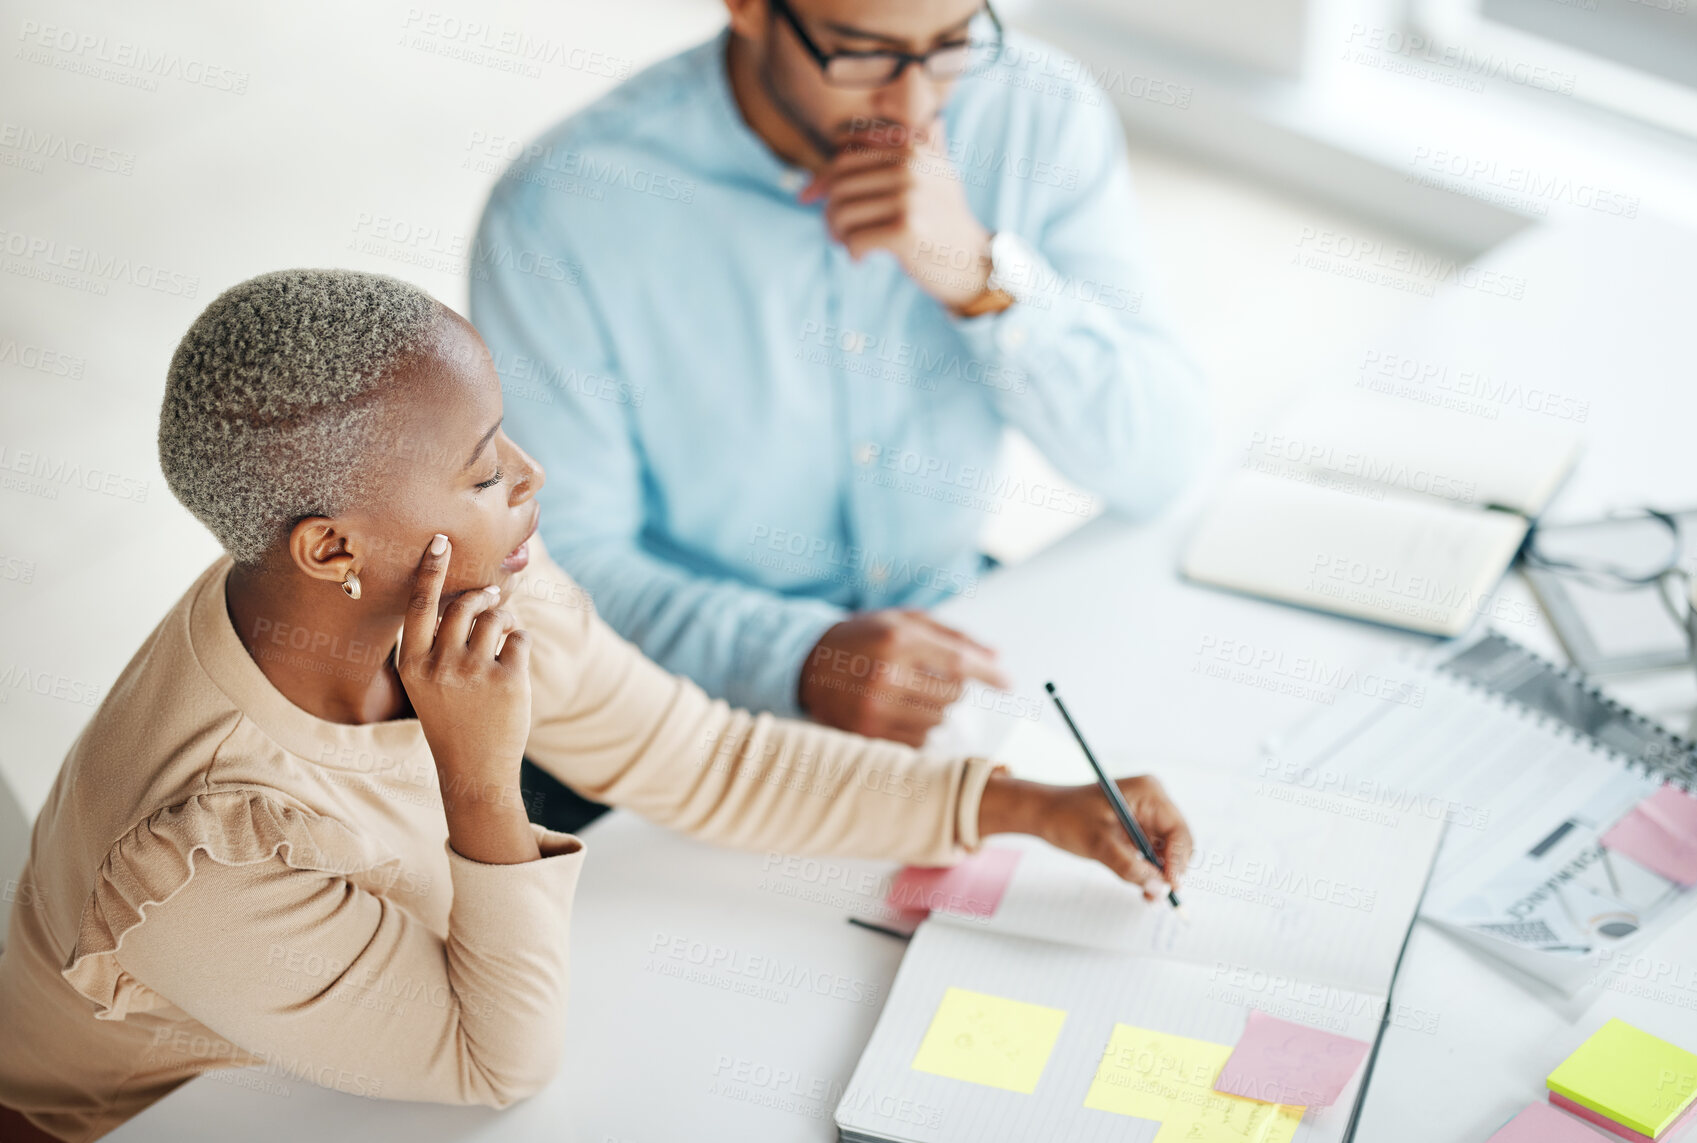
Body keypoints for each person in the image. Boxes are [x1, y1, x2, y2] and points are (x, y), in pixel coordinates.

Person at [0, 269, 1194, 1142]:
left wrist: (1025, 805)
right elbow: (493, 1064)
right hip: (164, 1116)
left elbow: (707, 761)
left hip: (336, 1039)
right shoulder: (204, 855)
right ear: (328, 546)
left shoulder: (451, 582)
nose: (530, 479)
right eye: (482, 470)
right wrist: (482, 776)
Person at [469, 0, 1209, 747]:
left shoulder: (1039, 116)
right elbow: (553, 570)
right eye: (863, 54)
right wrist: (797, 658)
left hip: (954, 626)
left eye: (952, 44)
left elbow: (1163, 460)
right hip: (683, 704)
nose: (917, 105)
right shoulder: (560, 211)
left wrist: (985, 277)